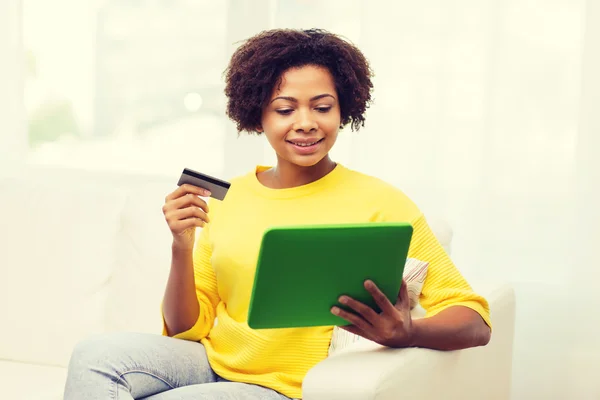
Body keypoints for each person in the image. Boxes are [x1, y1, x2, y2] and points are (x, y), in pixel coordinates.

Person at [64, 28, 491, 400]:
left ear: (345, 110)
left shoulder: (382, 202)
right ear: (258, 114)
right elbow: (185, 328)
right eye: (285, 109)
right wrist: (181, 244)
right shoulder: (232, 198)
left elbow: (474, 321)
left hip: (284, 387)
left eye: (322, 107)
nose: (305, 123)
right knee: (94, 358)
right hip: (209, 360)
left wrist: (409, 332)